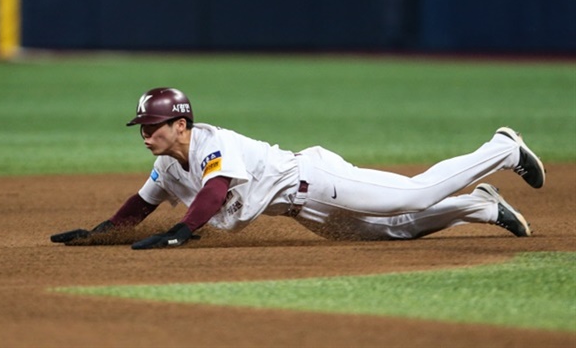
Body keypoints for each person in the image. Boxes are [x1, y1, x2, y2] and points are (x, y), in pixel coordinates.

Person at [51, 87, 546, 249]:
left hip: (315, 179)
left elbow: (216, 190)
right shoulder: (167, 165)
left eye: (154, 124)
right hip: (298, 211)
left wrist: (180, 232)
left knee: (411, 196)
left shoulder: (209, 143)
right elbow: (139, 206)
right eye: (142, 125)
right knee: (392, 233)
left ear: (181, 125)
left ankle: (500, 150)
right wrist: (99, 234)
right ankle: (479, 206)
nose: (145, 132)